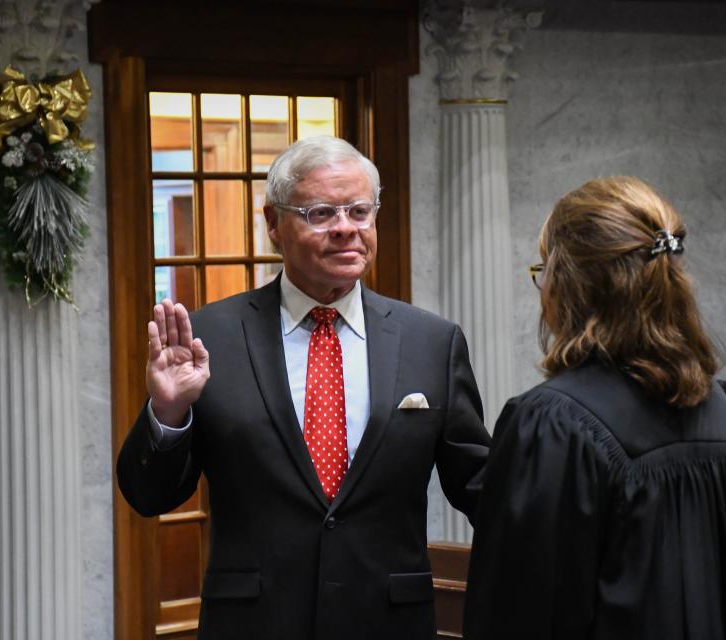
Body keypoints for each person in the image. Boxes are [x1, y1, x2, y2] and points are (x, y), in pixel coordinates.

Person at [117, 136, 491, 640]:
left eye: (360, 211)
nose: (346, 229)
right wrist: (167, 412)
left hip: (388, 623)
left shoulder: (432, 342)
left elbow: (483, 489)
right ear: (273, 223)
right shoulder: (214, 339)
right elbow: (148, 495)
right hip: (253, 625)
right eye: (320, 213)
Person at [463, 177, 726, 640]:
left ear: (571, 284)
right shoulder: (723, 412)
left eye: (544, 272)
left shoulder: (551, 425)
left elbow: (515, 611)